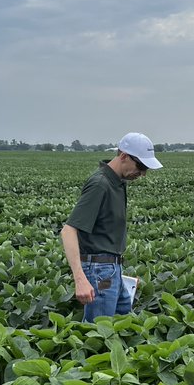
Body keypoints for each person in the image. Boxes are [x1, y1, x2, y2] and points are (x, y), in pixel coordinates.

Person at [60, 132, 162, 322]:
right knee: (99, 333)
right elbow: (68, 231)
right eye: (140, 166)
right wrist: (80, 279)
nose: (143, 173)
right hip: (99, 272)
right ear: (123, 155)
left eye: (146, 168)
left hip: (110, 270)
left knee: (124, 327)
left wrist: (118, 270)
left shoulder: (118, 182)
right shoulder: (101, 184)